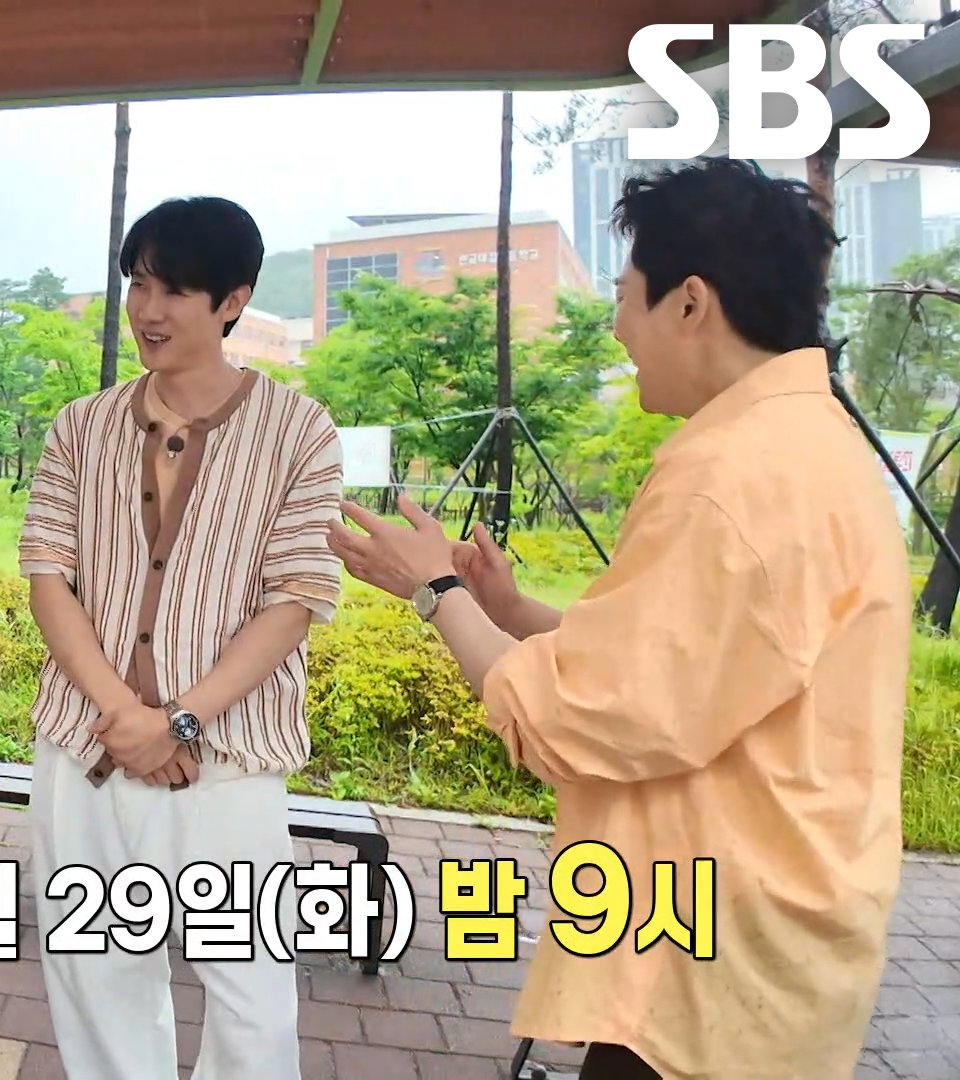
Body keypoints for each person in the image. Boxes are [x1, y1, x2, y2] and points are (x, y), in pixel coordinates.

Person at [322, 157, 908, 1080]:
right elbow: (686, 669)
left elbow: (582, 716)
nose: (618, 327)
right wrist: (507, 609)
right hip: (764, 946)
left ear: (691, 302)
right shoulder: (804, 445)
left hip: (707, 979)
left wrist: (438, 593)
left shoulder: (733, 479)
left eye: (627, 298)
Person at [18, 196, 344, 1079]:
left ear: (233, 300)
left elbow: (296, 597)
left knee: (252, 1001)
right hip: (86, 745)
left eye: (174, 291)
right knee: (96, 978)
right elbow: (49, 575)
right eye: (137, 285)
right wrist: (125, 715)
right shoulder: (82, 425)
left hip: (227, 757)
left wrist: (179, 721)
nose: (148, 310)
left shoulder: (298, 430)